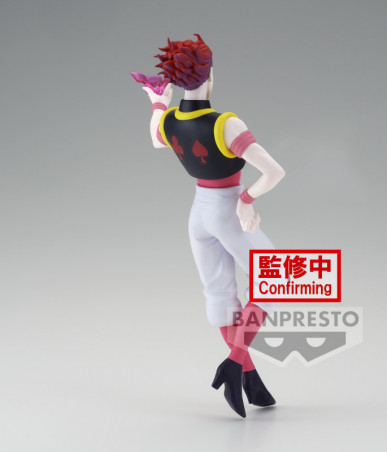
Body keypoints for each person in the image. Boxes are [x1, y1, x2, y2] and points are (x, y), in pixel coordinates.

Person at [136, 34, 285, 418]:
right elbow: (274, 172)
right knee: (274, 280)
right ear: (210, 75)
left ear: (176, 79)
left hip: (198, 213)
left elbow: (155, 139)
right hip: (227, 209)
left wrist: (158, 102)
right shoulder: (225, 123)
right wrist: (246, 200)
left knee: (220, 296)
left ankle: (248, 378)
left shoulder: (169, 121)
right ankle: (234, 364)